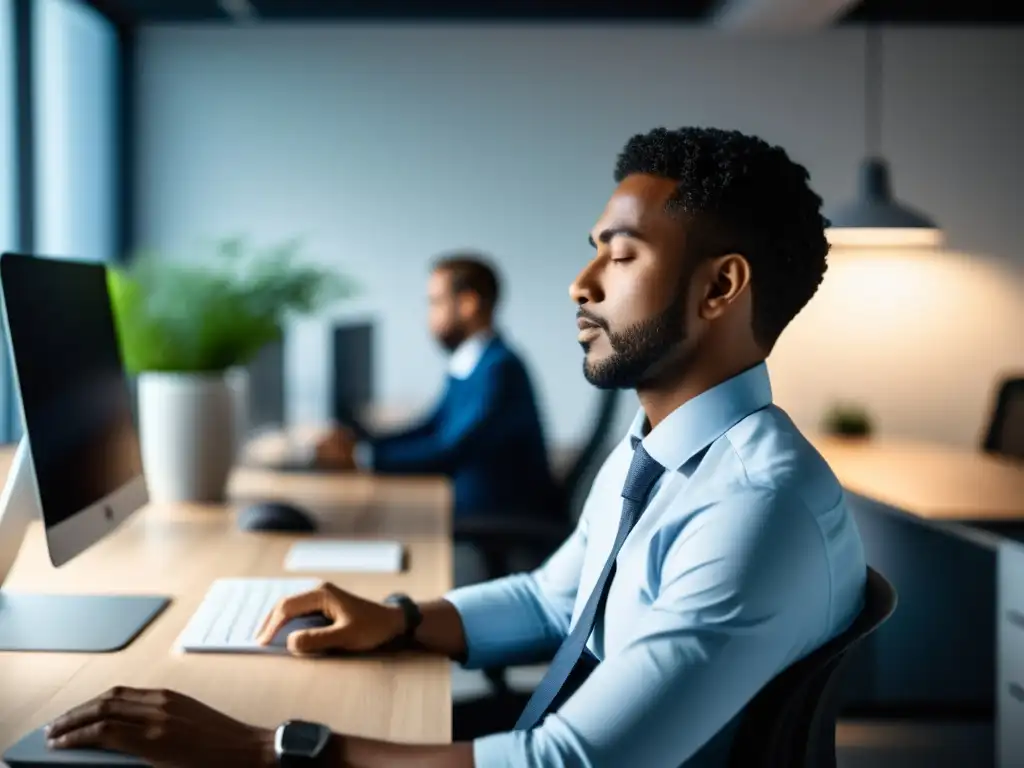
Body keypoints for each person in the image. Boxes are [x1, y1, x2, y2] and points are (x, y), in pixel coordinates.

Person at [44, 127, 867, 768]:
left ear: (720, 288)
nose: (582, 283)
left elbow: (571, 760)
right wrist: (399, 619)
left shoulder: (755, 508)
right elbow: (556, 601)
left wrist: (260, 749)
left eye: (620, 255)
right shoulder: (662, 449)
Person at [316, 253, 557, 520]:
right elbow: (432, 425)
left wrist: (365, 458)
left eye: (436, 303)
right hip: (472, 499)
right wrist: (360, 442)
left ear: (467, 303)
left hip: (498, 510)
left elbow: (450, 449)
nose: (429, 316)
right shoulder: (476, 361)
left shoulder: (498, 369)